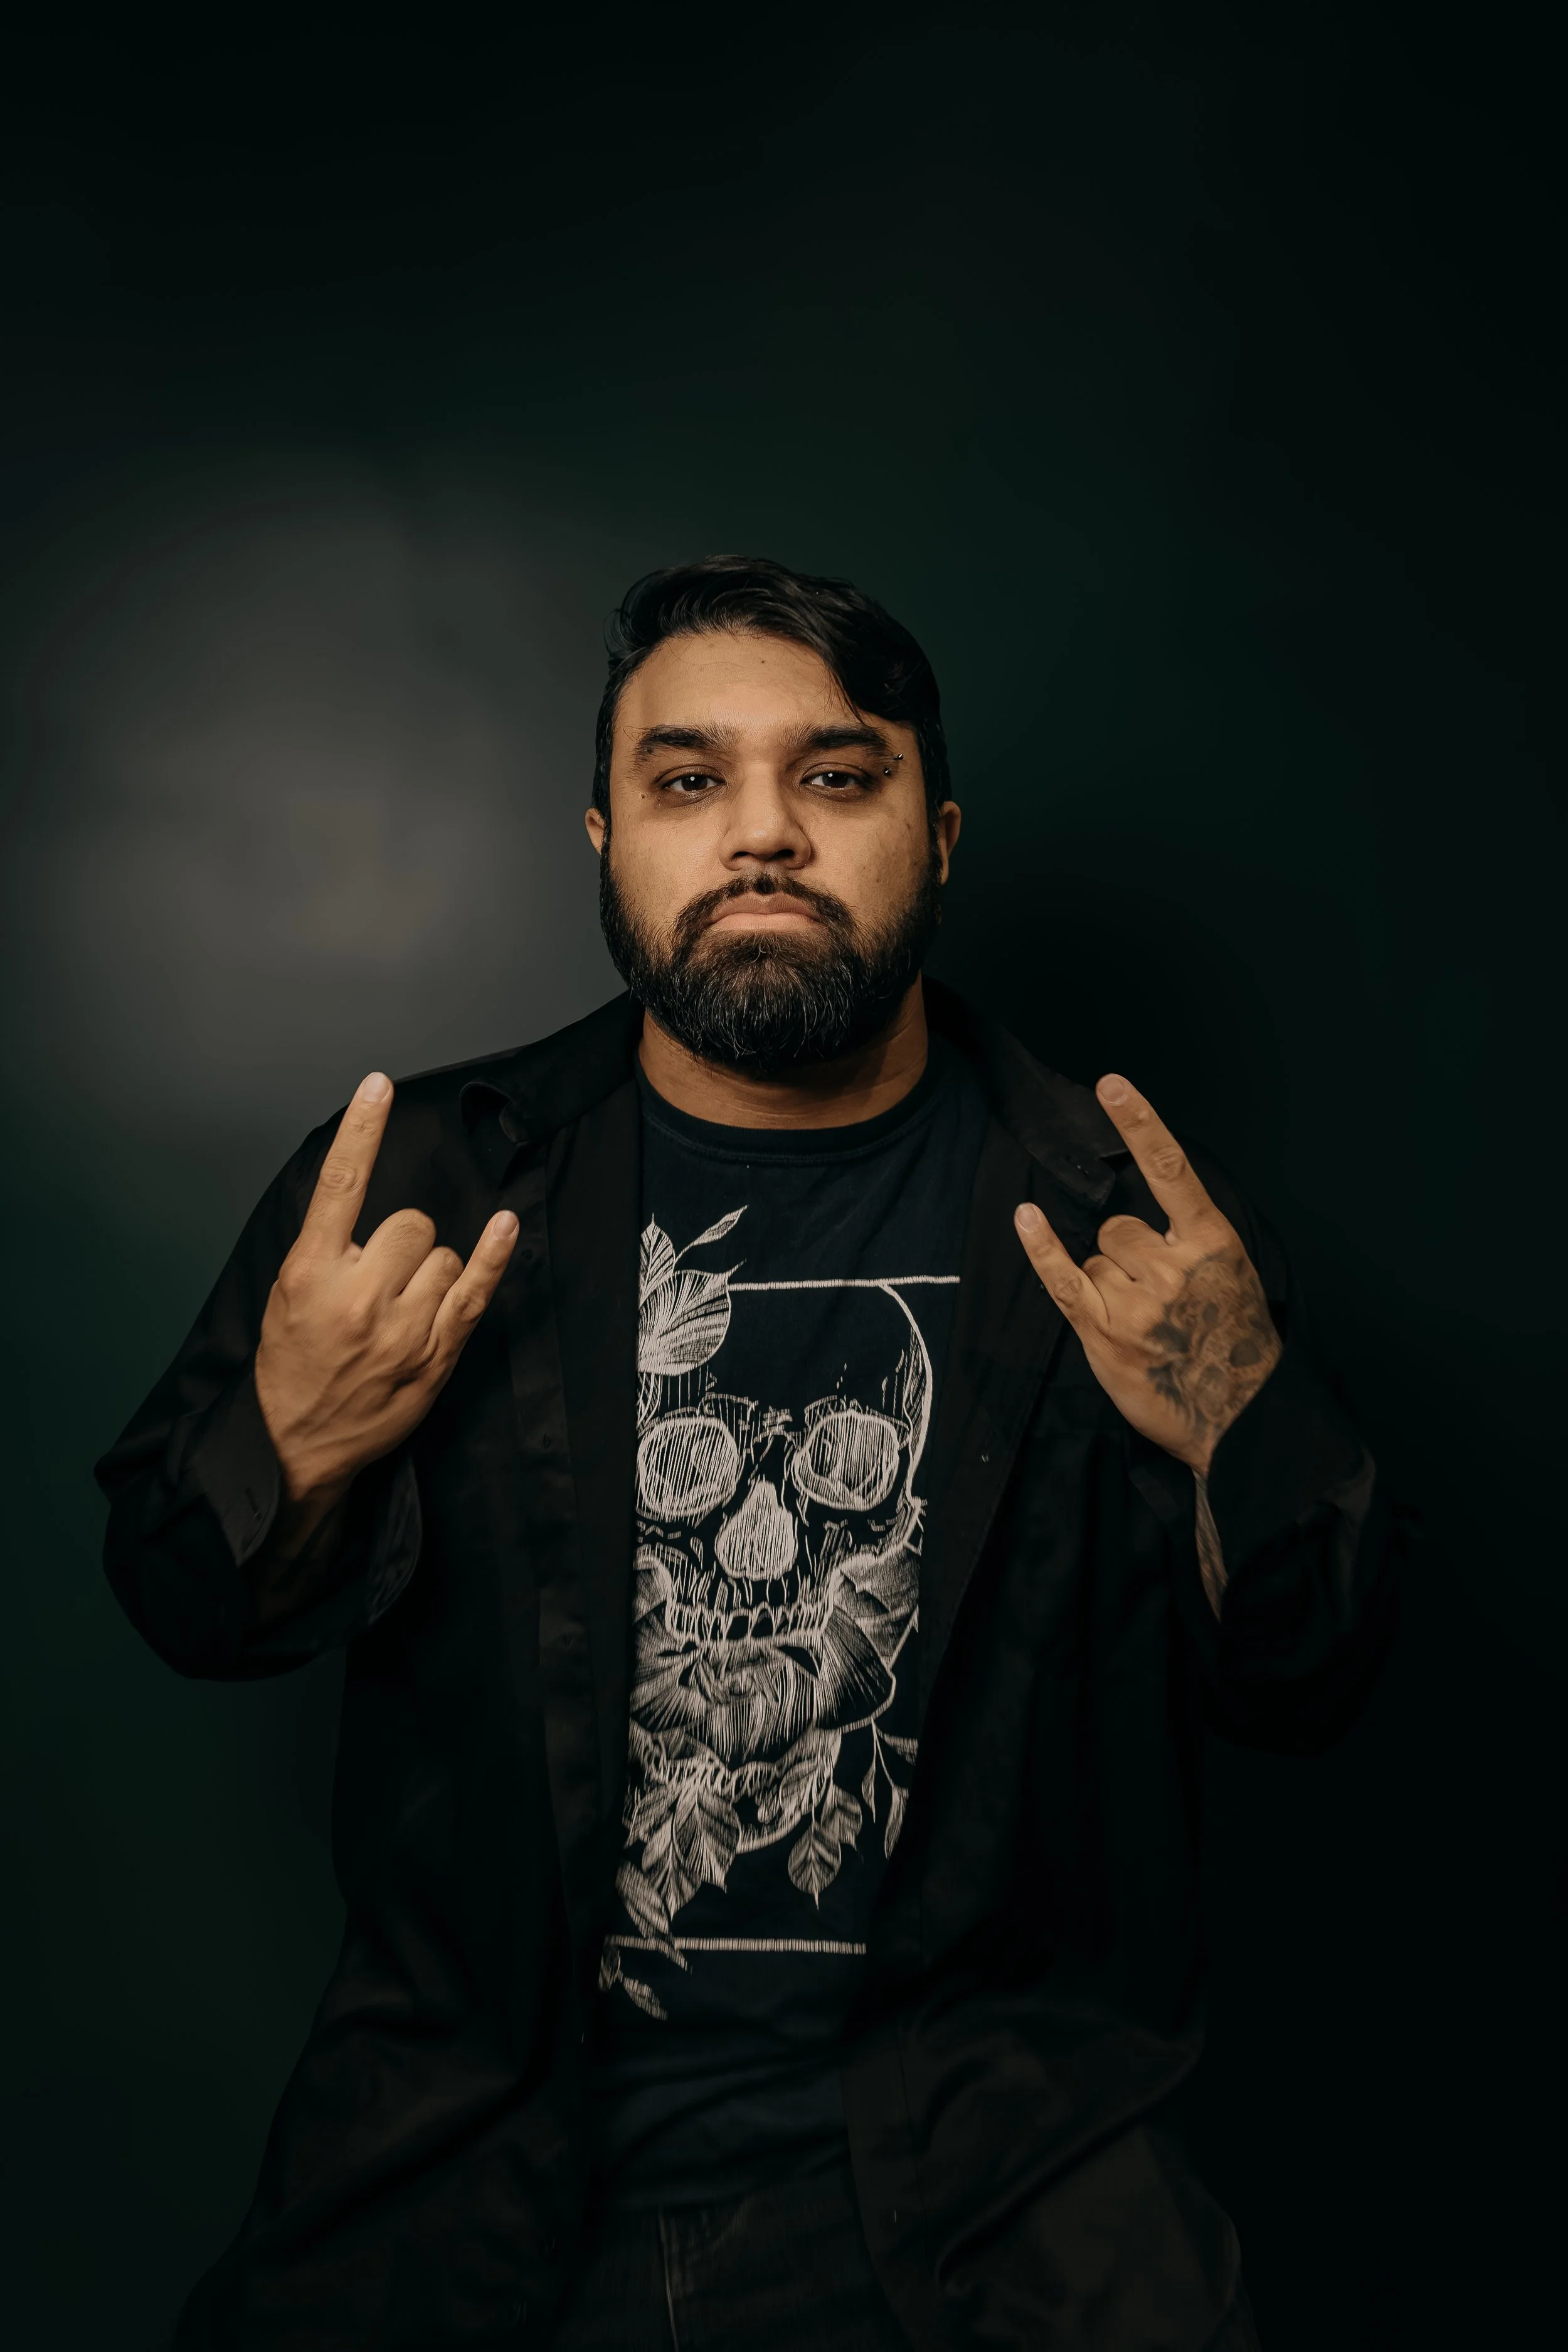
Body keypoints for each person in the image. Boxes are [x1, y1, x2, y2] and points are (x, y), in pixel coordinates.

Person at [97, 555, 1392, 2351]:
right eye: (688, 778)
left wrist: (1245, 1426)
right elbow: (181, 1600)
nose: (763, 832)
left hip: (1002, 2207)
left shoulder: (1132, 1227)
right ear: (604, 837)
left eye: (837, 775)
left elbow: (1316, 1683)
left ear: (939, 836)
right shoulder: (421, 1191)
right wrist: (294, 1448)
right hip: (470, 2191)